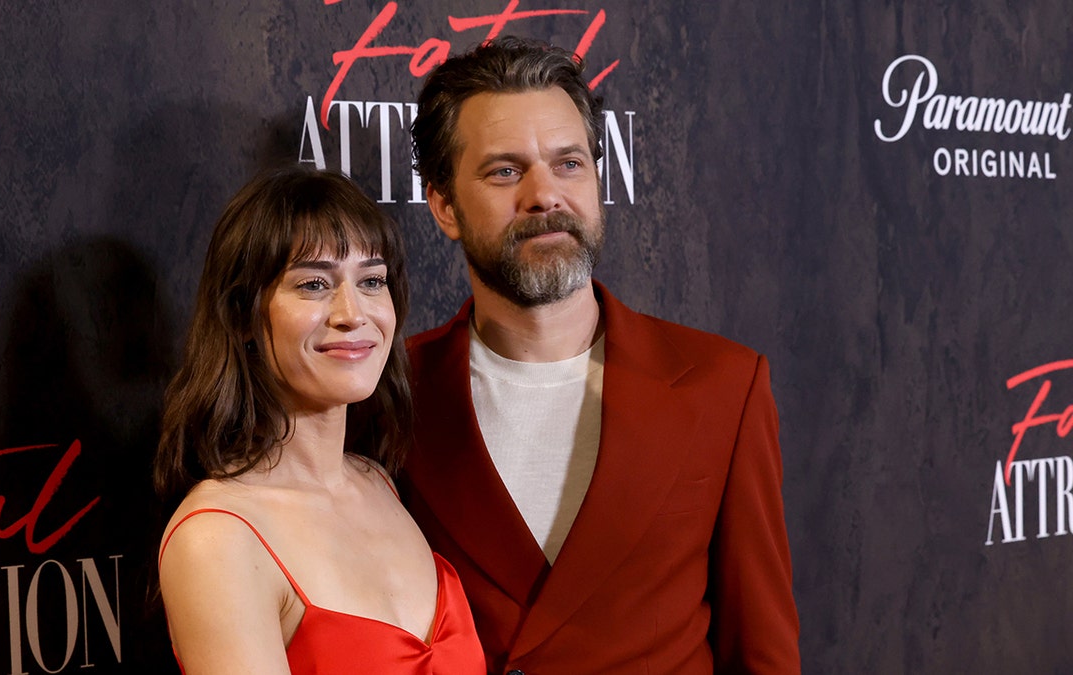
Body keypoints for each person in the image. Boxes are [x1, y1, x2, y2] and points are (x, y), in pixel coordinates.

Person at [402, 37, 801, 674]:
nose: (544, 194)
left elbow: (762, 652)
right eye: (506, 170)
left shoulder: (724, 385)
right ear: (444, 205)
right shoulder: (391, 396)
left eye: (569, 163)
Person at [154, 168, 485, 674]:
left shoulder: (380, 483)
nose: (353, 313)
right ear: (242, 314)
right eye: (313, 284)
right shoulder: (218, 539)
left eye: (372, 281)